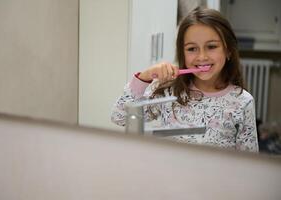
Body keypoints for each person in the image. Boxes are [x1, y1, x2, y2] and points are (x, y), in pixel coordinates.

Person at [111, 7, 259, 152]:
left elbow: (250, 162)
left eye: (211, 46)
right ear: (182, 54)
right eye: (192, 49)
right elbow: (120, 117)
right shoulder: (168, 91)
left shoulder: (243, 102)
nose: (202, 57)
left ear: (228, 51)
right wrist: (144, 77)